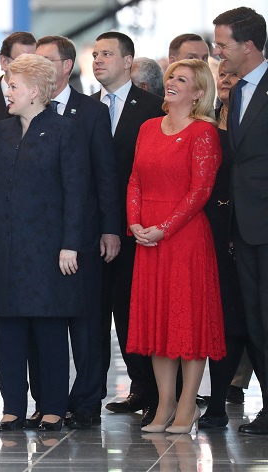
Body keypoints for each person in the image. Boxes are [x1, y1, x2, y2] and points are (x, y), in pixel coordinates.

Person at [0, 53, 90, 432]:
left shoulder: (64, 130)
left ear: (35, 91)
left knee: (49, 328)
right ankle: (13, 408)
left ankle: (52, 406)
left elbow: (76, 192)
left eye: (14, 85)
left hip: (47, 249)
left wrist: (71, 243)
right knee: (8, 330)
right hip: (2, 247)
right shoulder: (0, 131)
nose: (7, 91)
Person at [126, 59, 225, 434]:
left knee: (188, 322)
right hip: (147, 236)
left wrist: (163, 229)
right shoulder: (149, 127)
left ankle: (187, 405)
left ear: (198, 92)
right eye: (170, 77)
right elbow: (134, 179)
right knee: (158, 323)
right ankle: (164, 404)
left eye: (181, 79)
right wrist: (135, 223)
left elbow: (200, 191)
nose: (171, 83)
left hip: (183, 239)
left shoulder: (203, 132)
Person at [31, 35, 119, 430]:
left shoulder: (92, 112)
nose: (38, 67)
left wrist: (110, 229)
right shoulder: (26, 109)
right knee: (42, 322)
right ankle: (47, 400)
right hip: (37, 240)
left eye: (46, 61)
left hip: (83, 235)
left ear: (66, 66)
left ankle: (85, 400)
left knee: (85, 322)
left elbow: (106, 176)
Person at [92, 31, 164, 426]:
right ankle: (91, 394)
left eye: (107, 54)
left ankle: (151, 391)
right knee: (96, 314)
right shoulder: (85, 108)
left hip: (139, 229)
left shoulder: (154, 107)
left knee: (136, 313)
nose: (98, 60)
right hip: (94, 231)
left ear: (128, 61)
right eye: (95, 54)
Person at [212, 6, 268, 435]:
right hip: (244, 228)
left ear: (248, 47)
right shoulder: (235, 92)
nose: (218, 53)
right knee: (254, 320)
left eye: (223, 45)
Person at [199, 63, 251, 429]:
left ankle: (224, 399)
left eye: (234, 76)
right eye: (222, 76)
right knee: (217, 317)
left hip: (245, 229)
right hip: (208, 229)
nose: (227, 80)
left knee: (239, 319)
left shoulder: (251, 121)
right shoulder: (205, 124)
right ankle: (213, 404)